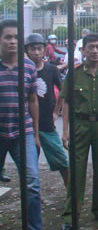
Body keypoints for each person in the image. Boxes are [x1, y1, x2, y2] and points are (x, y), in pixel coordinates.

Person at [0, 19, 55, 230]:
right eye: (8, 37)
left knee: (32, 183)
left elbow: (32, 100)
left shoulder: (29, 67)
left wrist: (35, 135)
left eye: (16, 37)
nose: (12, 41)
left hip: (23, 132)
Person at [60, 33, 98, 230]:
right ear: (83, 50)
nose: (95, 51)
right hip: (80, 125)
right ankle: (71, 215)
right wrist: (65, 130)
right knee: (76, 171)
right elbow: (66, 102)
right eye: (91, 47)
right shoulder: (75, 72)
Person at [24, 33, 68, 187]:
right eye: (33, 49)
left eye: (39, 48)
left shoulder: (51, 70)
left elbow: (63, 91)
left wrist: (56, 110)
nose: (36, 52)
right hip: (27, 125)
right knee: (29, 166)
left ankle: (71, 193)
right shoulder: (23, 70)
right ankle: (31, 194)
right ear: (27, 51)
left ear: (44, 50)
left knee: (61, 160)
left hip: (47, 124)